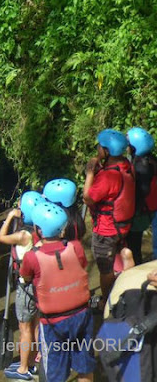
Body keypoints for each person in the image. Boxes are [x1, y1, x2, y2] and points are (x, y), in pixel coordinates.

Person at [20, 201, 95, 382]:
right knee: (84, 367)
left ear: (38, 230)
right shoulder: (75, 246)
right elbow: (81, 266)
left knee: (55, 373)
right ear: (62, 229)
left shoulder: (32, 257)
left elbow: (26, 277)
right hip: (82, 316)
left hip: (54, 323)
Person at [83, 129, 135, 311]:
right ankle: (131, 292)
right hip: (123, 226)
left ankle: (107, 302)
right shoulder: (126, 165)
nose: (97, 149)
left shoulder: (107, 176)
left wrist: (90, 173)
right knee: (123, 253)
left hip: (107, 229)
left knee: (105, 269)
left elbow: (88, 197)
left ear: (106, 150)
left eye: (99, 146)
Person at [0, 191, 44, 380]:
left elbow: (1, 237)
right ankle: (32, 361)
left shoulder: (23, 235)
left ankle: (23, 368)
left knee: (24, 328)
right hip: (39, 285)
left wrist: (8, 218)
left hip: (26, 288)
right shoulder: (42, 231)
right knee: (35, 325)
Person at [126, 127, 157, 264]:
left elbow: (142, 191)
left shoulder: (140, 166)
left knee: (133, 245)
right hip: (152, 207)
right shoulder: (151, 159)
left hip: (144, 210)